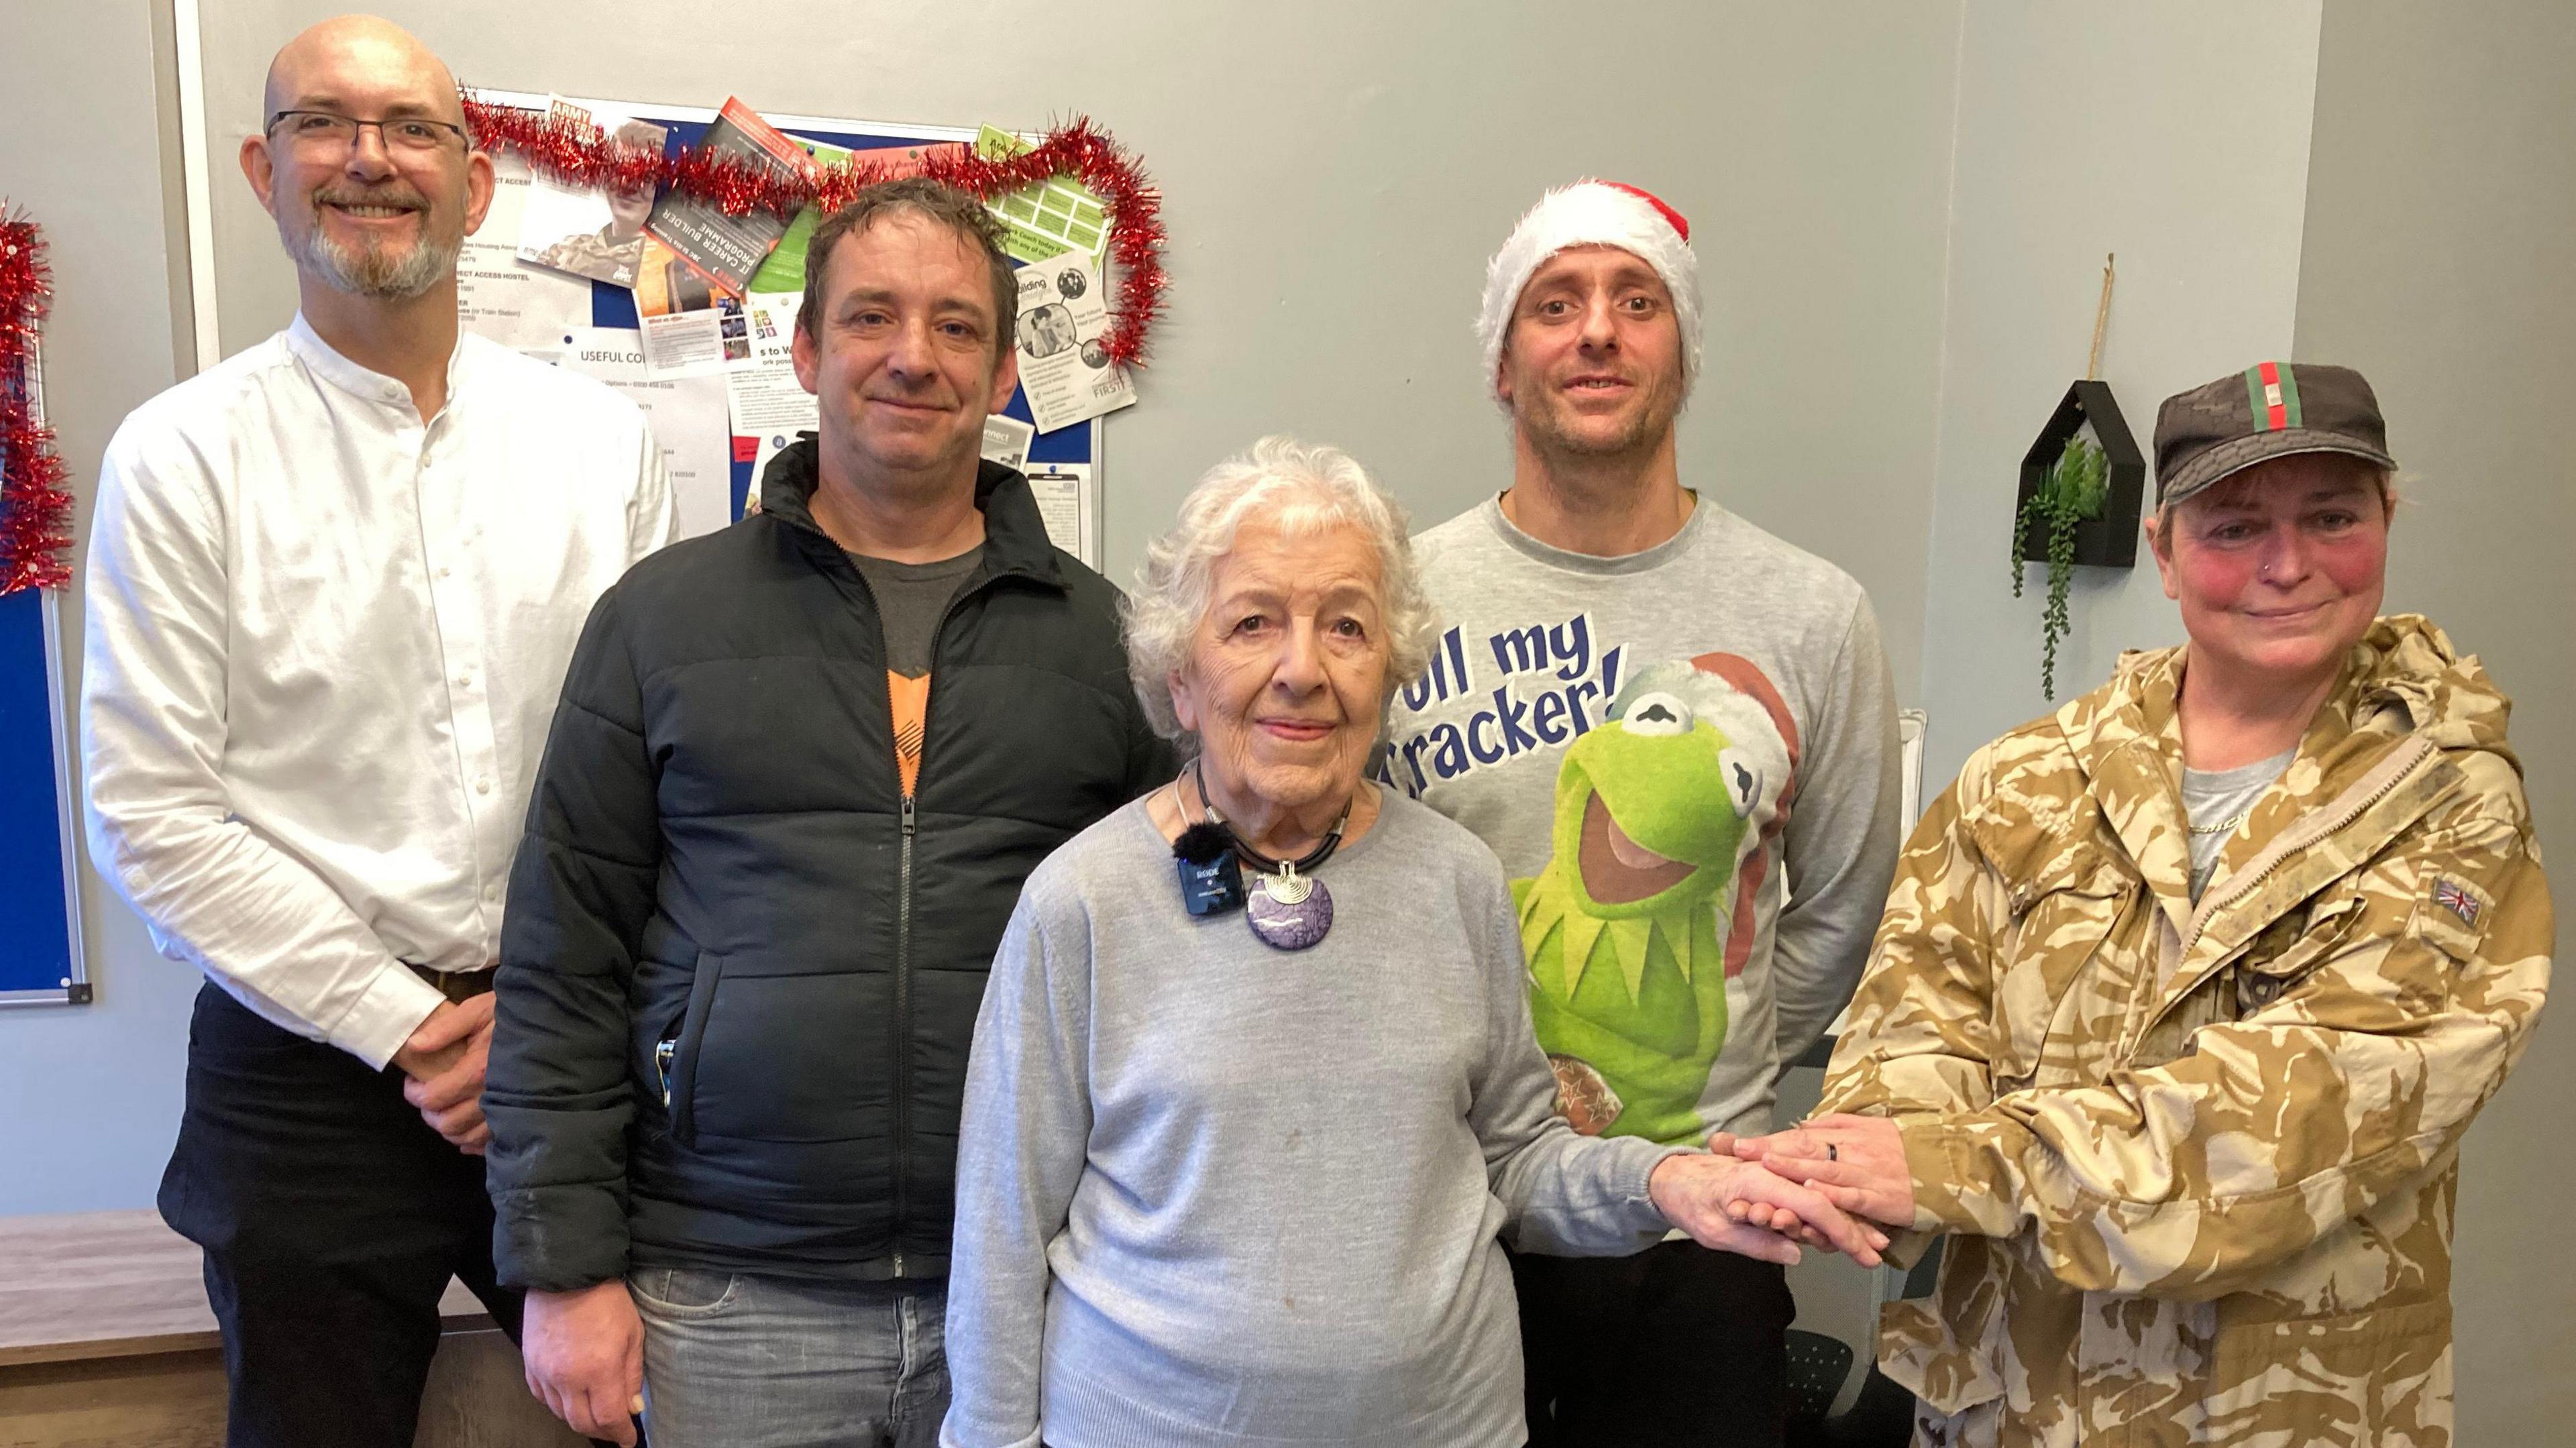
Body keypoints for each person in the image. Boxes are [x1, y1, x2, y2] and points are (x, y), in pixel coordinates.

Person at [941, 437, 1888, 1448]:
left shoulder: (1457, 878)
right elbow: (1001, 1231)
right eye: (1253, 622)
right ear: (1181, 678)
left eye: (1345, 625)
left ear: (1390, 670)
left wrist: (1666, 1180)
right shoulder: (1080, 903)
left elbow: (1519, 1163)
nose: (1302, 669)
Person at [1734, 362, 2553, 1447]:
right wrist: (1861, 1161)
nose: (2288, 562)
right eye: (2235, 525)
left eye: (2332, 516)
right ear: (2165, 550)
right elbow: (1915, 1018)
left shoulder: (2452, 800)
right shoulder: (2026, 777)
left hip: (2283, 1407)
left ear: (2388, 518)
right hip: (2014, 1401)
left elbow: (2310, 1104)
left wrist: (1959, 1163)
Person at [486, 178, 1172, 1448]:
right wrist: (564, 1267)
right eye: (872, 317)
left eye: (958, 326)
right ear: (804, 350)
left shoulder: (1111, 643)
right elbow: (562, 965)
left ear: (1008, 366)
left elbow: (1183, 961)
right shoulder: (660, 622)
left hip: (1029, 1281)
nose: (914, 355)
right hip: (729, 1285)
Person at [78, 16, 676, 1448]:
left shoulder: (605, 450)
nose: (369, 161)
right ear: (262, 172)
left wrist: (540, 1016)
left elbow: (671, 769)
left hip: (572, 1041)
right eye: (323, 127)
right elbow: (152, 809)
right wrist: (407, 1023)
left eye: (413, 128)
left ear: (475, 185)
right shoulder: (180, 458)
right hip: (305, 1074)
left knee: (668, 1414)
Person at [1382, 180, 1902, 1445]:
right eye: (1555, 305)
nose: (1598, 332)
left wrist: (1726, 1081)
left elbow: (1843, 905)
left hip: (1700, 1226)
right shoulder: (1396, 598)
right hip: (1447, 1210)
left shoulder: (1814, 612)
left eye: (1638, 300)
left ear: (1684, 351)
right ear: (1505, 366)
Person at [531, 118, 664, 288]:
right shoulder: (565, 251)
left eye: (645, 176)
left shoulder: (662, 266)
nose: (628, 185)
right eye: (618, 170)